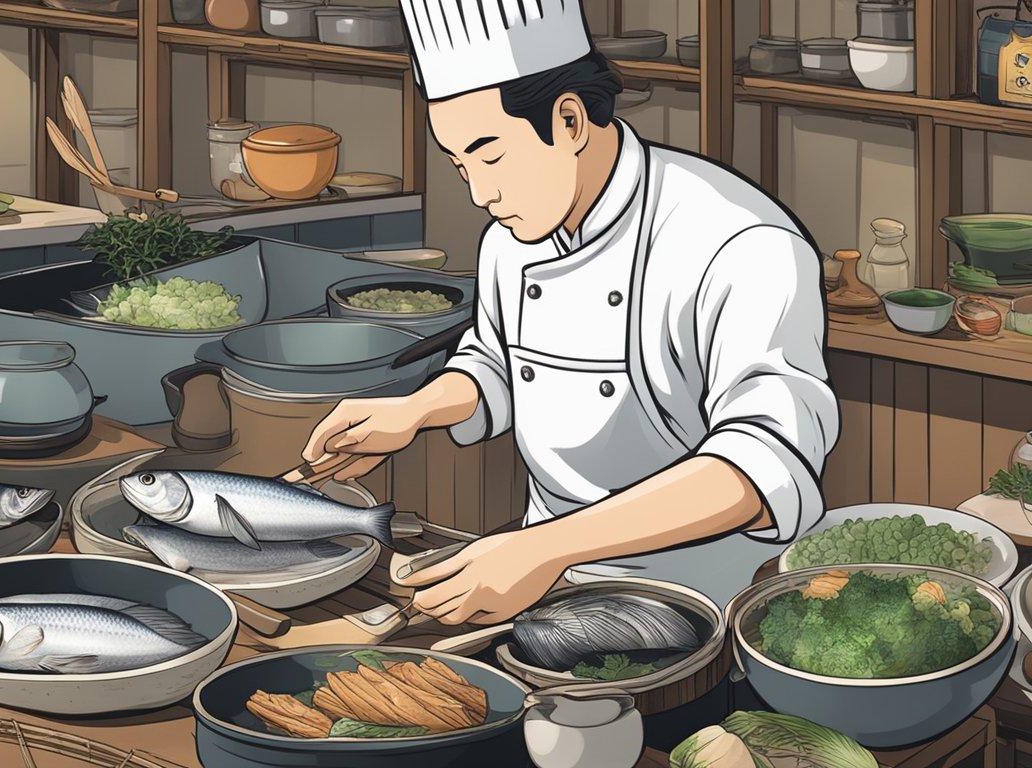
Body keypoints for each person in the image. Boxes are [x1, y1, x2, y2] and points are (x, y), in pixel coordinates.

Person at [301, 0, 840, 621]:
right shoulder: (512, 236)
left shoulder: (739, 241)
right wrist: (417, 410)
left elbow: (761, 465)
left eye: (491, 156)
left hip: (705, 594)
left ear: (570, 120)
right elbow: (497, 361)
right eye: (460, 165)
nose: (480, 193)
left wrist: (545, 548)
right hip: (539, 580)